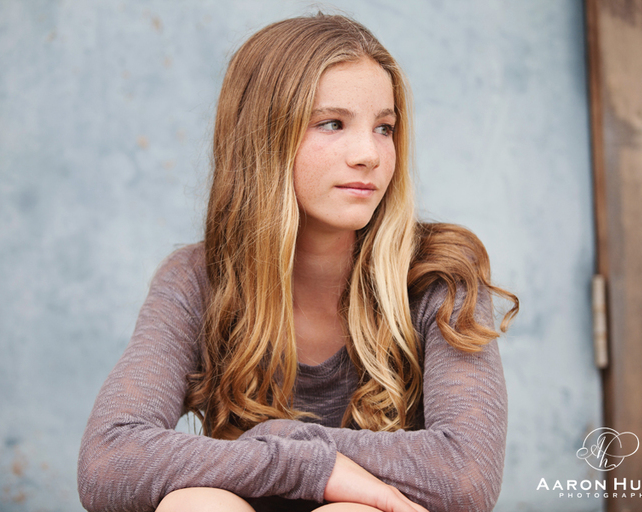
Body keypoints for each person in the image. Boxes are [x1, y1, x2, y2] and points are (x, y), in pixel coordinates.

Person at [78, 13, 518, 512]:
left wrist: (282, 436)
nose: (369, 154)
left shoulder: (441, 275)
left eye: (384, 127)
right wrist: (306, 465)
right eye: (332, 123)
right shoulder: (196, 280)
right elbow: (106, 461)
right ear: (263, 139)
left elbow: (466, 478)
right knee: (196, 505)